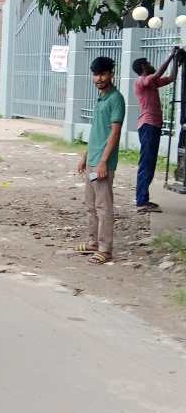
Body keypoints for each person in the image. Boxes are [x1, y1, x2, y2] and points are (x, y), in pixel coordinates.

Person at [77, 57, 125, 266]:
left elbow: (114, 134)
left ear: (111, 74)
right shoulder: (101, 98)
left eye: (103, 74)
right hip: (92, 162)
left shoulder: (116, 99)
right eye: (96, 74)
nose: (99, 78)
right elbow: (97, 132)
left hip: (103, 163)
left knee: (104, 207)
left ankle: (105, 249)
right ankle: (92, 242)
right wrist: (85, 157)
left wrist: (104, 162)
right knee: (91, 205)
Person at [132, 50, 177, 214]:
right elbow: (159, 73)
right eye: (149, 63)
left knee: (149, 164)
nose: (152, 65)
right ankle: (141, 202)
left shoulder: (151, 83)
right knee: (146, 164)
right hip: (148, 125)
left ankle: (143, 199)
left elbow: (171, 78)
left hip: (153, 126)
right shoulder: (141, 81)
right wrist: (171, 55)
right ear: (143, 67)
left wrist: (176, 63)